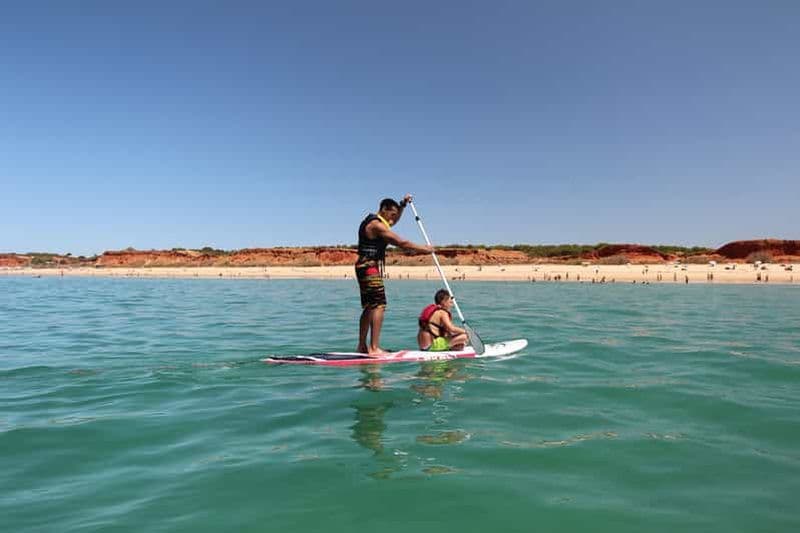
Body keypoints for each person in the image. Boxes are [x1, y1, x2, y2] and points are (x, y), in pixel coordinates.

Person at [356, 195, 431, 355]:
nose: (393, 219)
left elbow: (394, 221)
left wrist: (403, 205)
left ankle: (362, 346)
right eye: (392, 214)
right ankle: (374, 348)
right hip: (369, 268)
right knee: (379, 305)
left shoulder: (378, 221)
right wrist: (425, 249)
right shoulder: (376, 225)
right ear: (384, 210)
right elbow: (402, 243)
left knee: (370, 307)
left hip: (364, 266)